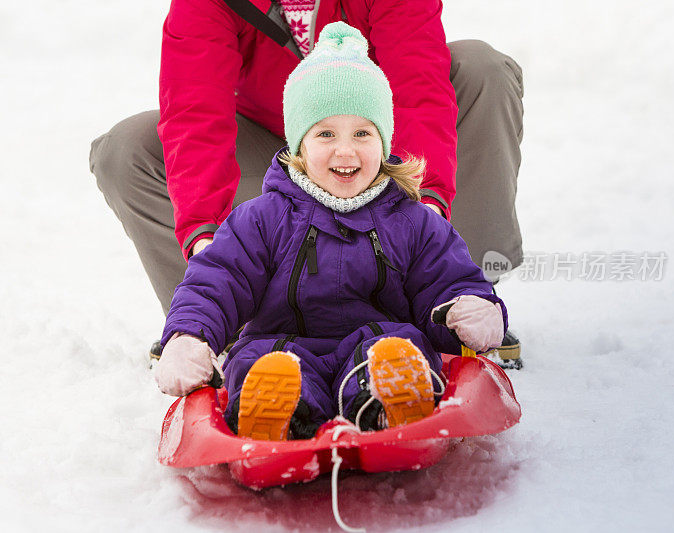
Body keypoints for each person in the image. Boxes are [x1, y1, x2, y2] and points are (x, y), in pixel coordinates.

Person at [89, 0, 524, 366]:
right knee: (127, 149)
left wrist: (420, 203)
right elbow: (194, 116)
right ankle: (215, 325)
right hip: (275, 148)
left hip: (373, 141)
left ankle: (462, 300)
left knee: (483, 69)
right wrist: (205, 238)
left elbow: (418, 84)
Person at [152, 23, 507, 440]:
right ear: (299, 146)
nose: (345, 150)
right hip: (282, 346)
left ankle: (390, 399)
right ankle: (278, 409)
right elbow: (216, 282)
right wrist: (190, 336)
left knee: (396, 349)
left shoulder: (412, 219)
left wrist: (468, 307)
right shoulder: (262, 219)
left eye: (362, 133)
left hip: (379, 342)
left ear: (385, 141)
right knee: (263, 360)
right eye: (325, 134)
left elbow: (447, 278)